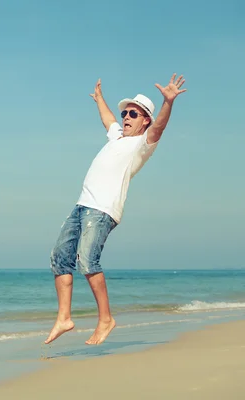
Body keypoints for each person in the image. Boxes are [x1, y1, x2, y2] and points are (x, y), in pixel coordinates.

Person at [45, 74, 187, 346]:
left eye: (133, 113)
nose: (126, 117)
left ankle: (106, 319)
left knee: (87, 260)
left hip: (102, 209)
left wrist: (168, 102)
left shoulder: (141, 145)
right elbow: (107, 119)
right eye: (125, 112)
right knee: (60, 257)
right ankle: (64, 317)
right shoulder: (117, 137)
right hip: (81, 205)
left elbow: (159, 128)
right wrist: (99, 98)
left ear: (144, 119)